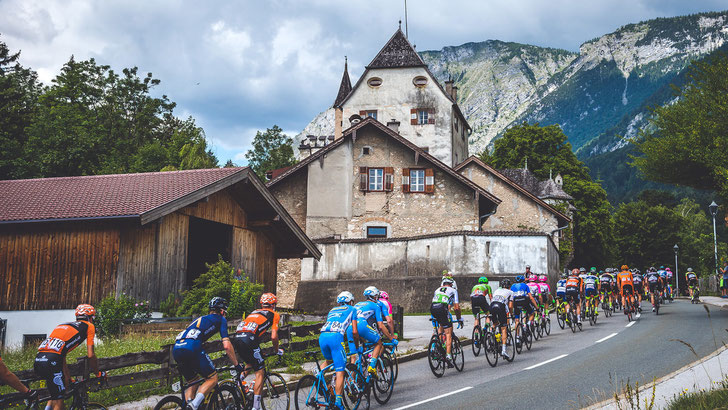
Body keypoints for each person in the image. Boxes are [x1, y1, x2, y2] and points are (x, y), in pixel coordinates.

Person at [173, 297, 242, 410]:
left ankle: (187, 406)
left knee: (193, 381)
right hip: (192, 347)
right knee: (212, 379)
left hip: (177, 348)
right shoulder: (221, 319)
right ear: (222, 311)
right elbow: (226, 345)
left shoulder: (201, 319)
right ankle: (194, 405)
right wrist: (236, 364)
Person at [34, 304, 104, 410]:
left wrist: (68, 378)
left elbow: (61, 356)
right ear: (90, 317)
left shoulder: (62, 325)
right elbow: (91, 355)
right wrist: (98, 373)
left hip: (39, 359)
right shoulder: (89, 326)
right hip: (52, 360)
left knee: (56, 392)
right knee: (59, 400)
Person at [233, 293, 283, 410]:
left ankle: (237, 383)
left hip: (237, 338)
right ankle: (256, 407)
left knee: (250, 363)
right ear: (274, 305)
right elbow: (274, 336)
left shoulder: (254, 312)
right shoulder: (274, 314)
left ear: (262, 304)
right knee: (260, 371)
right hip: (249, 339)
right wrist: (277, 350)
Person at [319, 291, 360, 410]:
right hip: (336, 338)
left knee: (328, 361)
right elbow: (354, 331)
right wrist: (356, 346)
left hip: (322, 337)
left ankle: (317, 377)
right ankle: (338, 403)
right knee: (340, 371)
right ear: (351, 301)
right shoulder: (353, 309)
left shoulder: (332, 310)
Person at [356, 286, 396, 373]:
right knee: (379, 344)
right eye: (376, 296)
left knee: (360, 349)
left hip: (353, 328)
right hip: (368, 326)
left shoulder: (358, 304)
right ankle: (374, 365)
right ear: (374, 296)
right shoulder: (378, 304)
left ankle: (356, 376)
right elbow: (387, 322)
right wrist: (391, 337)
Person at [430, 278, 462, 367]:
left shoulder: (437, 289)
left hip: (433, 308)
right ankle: (448, 356)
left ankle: (437, 347)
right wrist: (459, 318)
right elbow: (456, 307)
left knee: (441, 325)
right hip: (442, 308)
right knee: (448, 333)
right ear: (451, 285)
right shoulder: (453, 290)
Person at [489, 279, 514, 359]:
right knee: (504, 329)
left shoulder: (497, 290)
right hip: (500, 306)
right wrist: (512, 314)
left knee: (495, 323)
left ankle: (492, 337)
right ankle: (503, 350)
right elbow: (510, 306)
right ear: (509, 286)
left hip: (492, 306)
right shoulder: (511, 292)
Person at [510, 275, 539, 343]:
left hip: (516, 301)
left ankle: (517, 338)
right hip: (524, 300)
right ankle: (528, 324)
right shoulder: (525, 285)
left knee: (517, 320)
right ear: (523, 280)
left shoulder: (512, 286)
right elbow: (531, 297)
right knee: (532, 313)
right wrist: (536, 307)